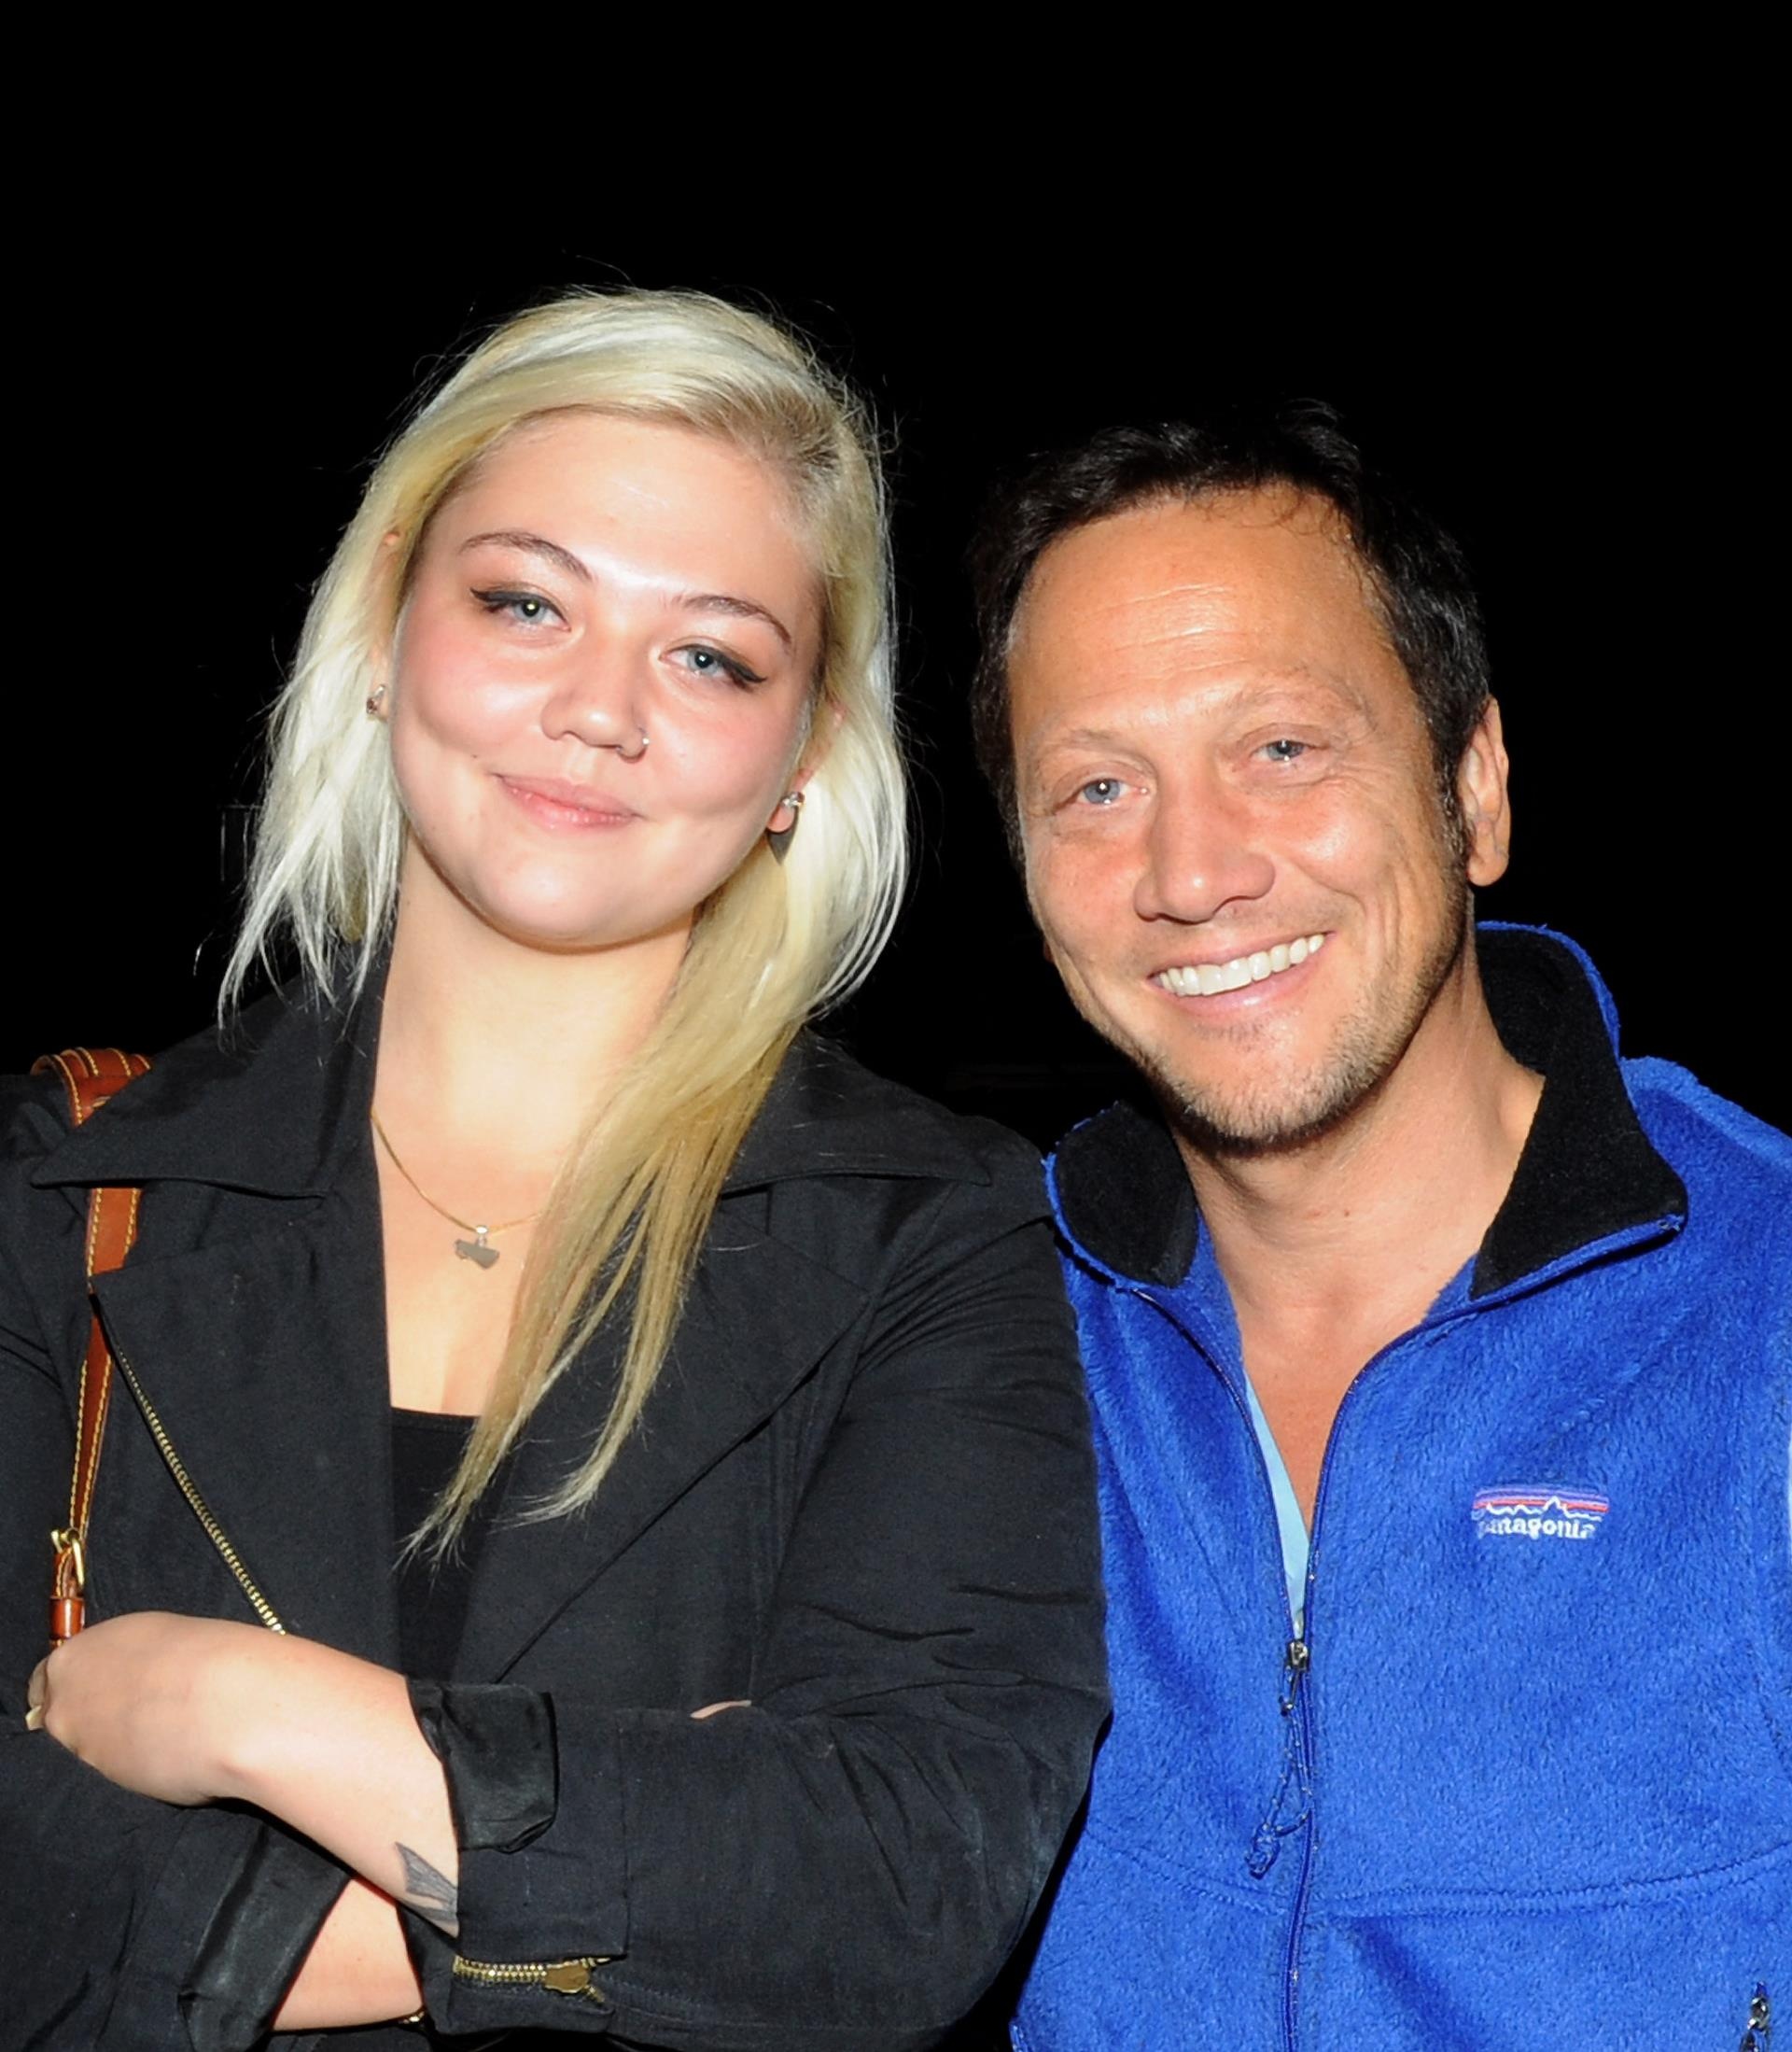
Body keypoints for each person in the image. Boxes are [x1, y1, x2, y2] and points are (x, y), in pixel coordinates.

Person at [1, 289, 1108, 2051]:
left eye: (712, 654)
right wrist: (654, 1849)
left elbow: (896, 1894)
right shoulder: (63, 1181)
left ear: (799, 764)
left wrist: (239, 1703)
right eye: (526, 601)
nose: (598, 710)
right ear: (384, 629)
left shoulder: (932, 1237)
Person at [966, 408, 1791, 2048]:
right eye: (1098, 785)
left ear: (1473, 785)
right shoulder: (965, 1341)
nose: (1192, 873)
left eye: (1282, 747)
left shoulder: (1765, 1310)